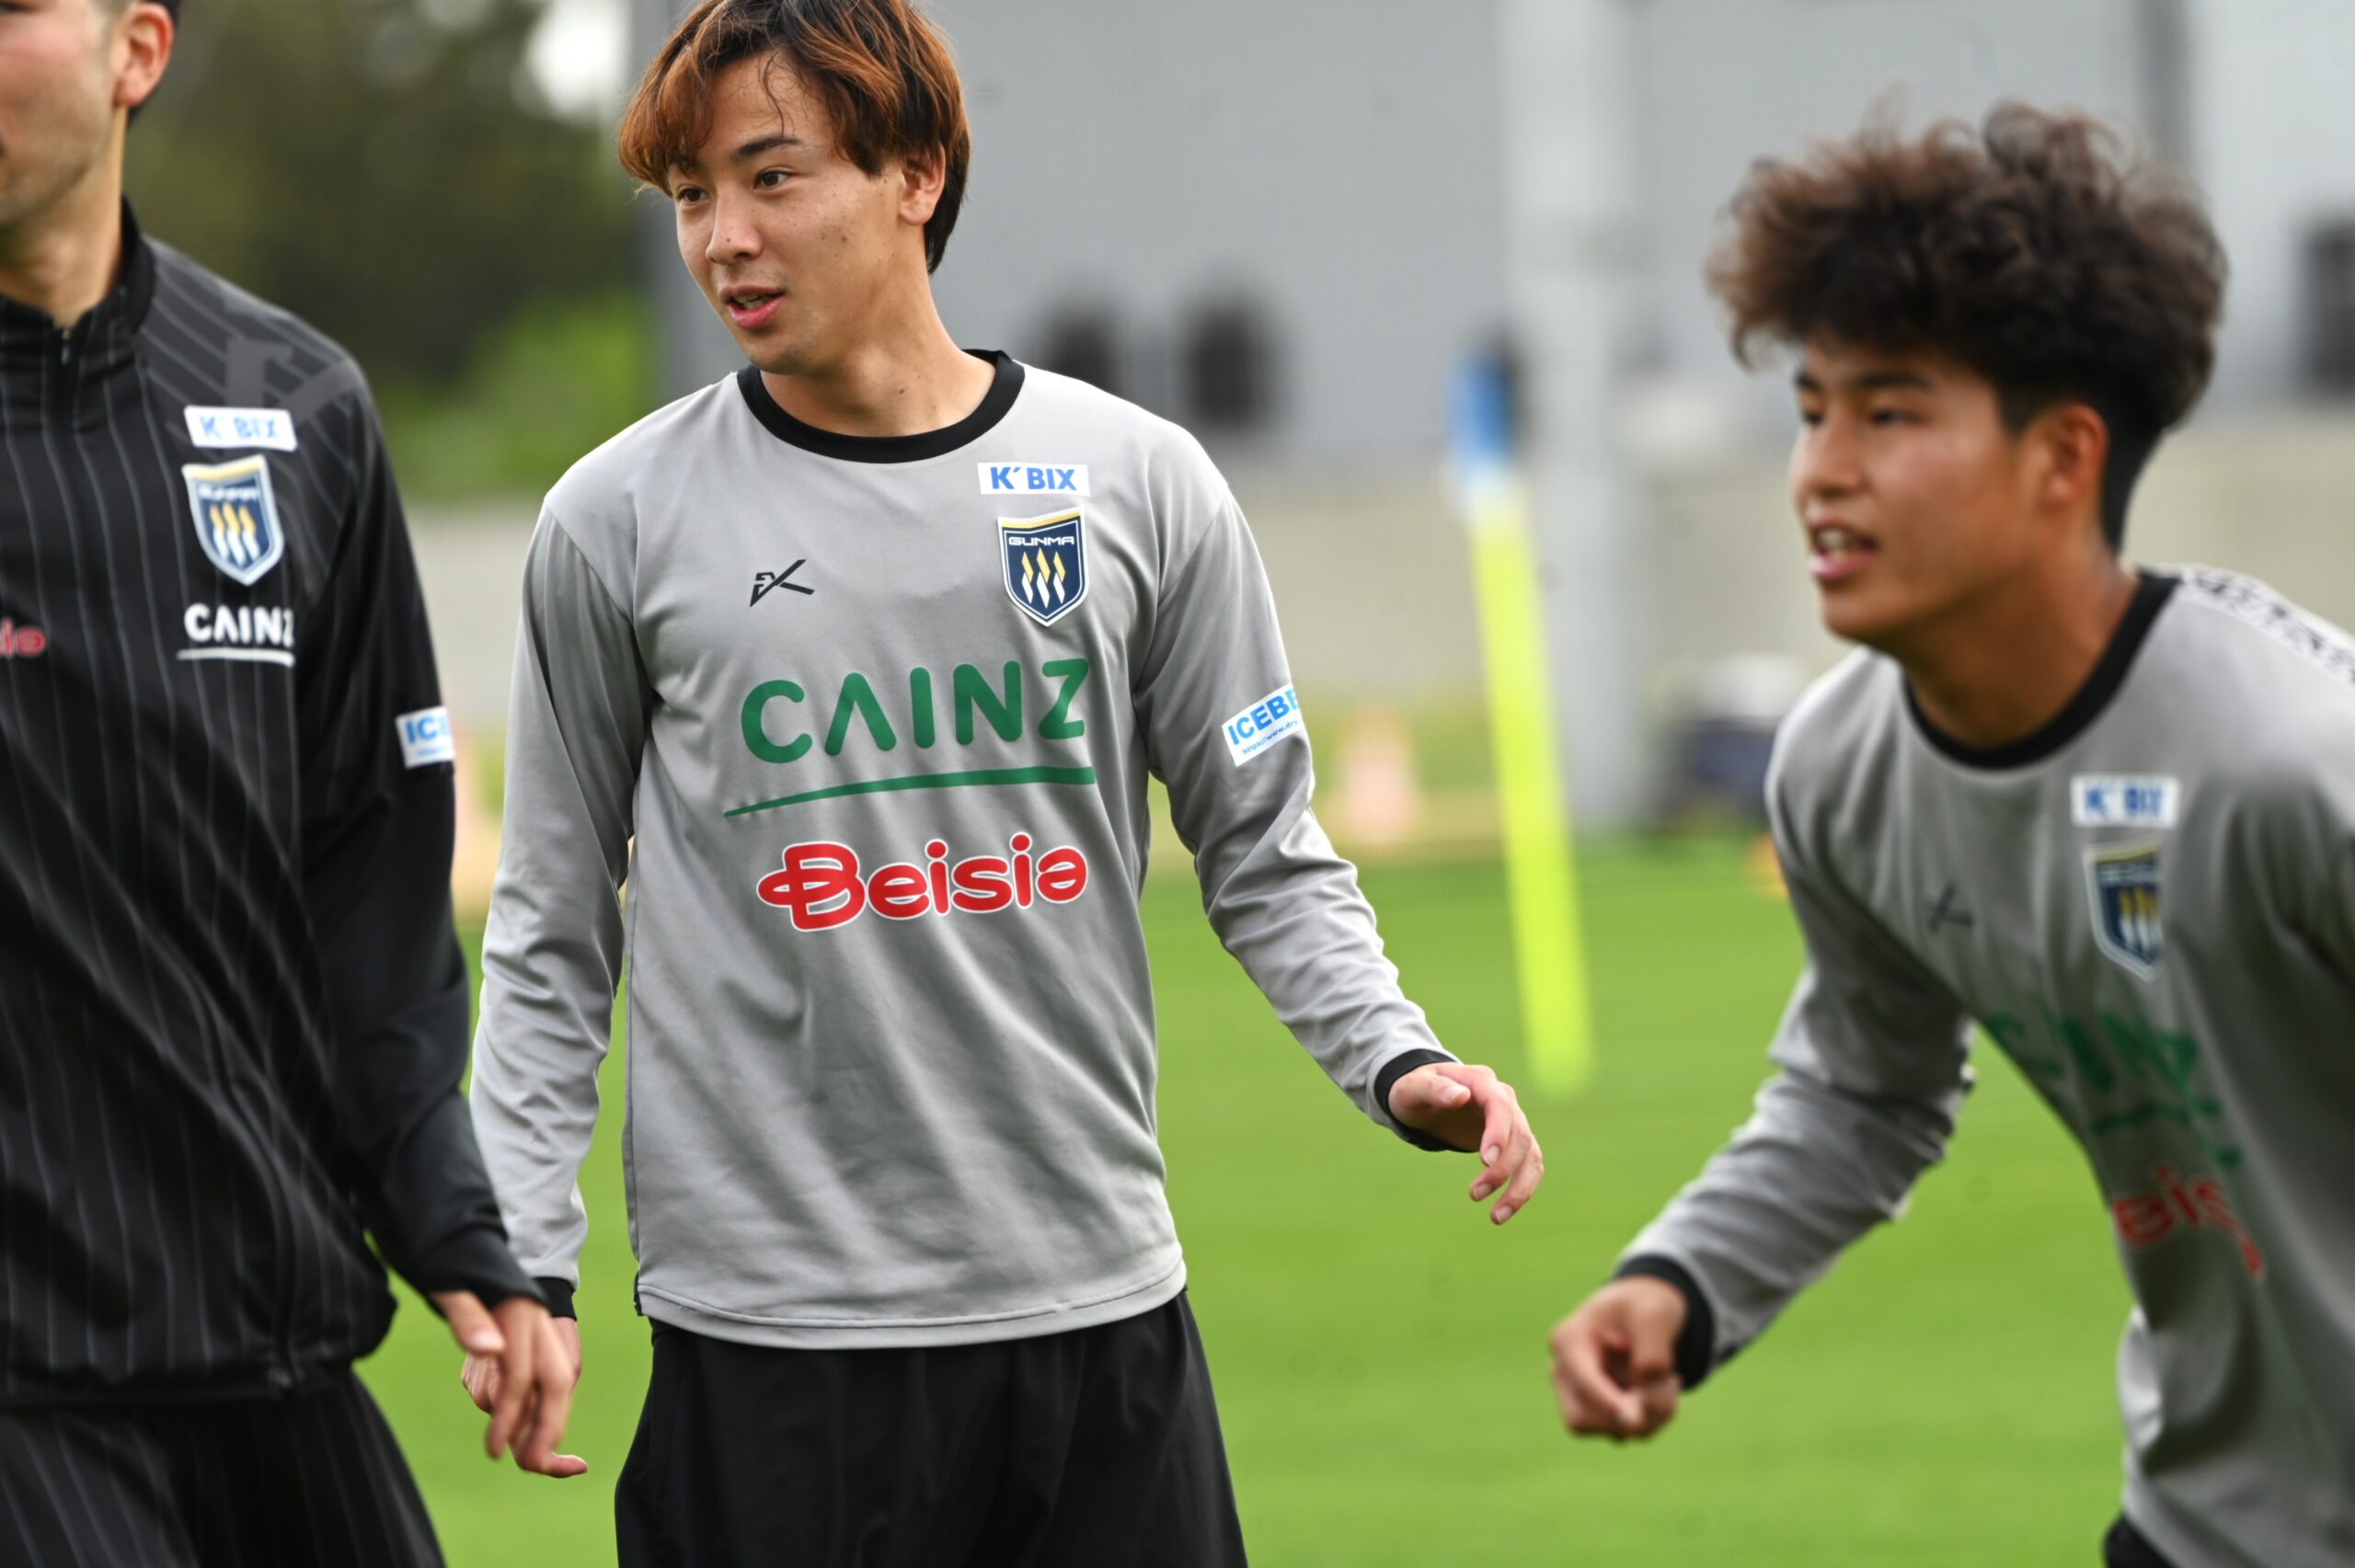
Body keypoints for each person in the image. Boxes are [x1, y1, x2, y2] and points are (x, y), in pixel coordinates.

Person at [458, 0, 1544, 1562]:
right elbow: (552, 925)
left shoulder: (1141, 482)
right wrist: (525, 1257)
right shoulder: (615, 519)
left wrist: (1397, 1057)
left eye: (772, 176)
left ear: (917, 171)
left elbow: (1264, 847)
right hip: (776, 1347)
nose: (723, 239)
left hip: (1099, 1317)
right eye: (691, 195)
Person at [1546, 104, 2355, 1568]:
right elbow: (1867, 1090)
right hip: (2209, 1524)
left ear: (2064, 457)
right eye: (1812, 410)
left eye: (1891, 414)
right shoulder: (1843, 773)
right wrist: (1681, 1280)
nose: (1821, 471)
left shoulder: (2295, 762)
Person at [0, 1, 578, 1562]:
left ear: (136, 50)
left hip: (273, 1342)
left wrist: (454, 1222)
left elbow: (368, 897)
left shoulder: (294, 401)